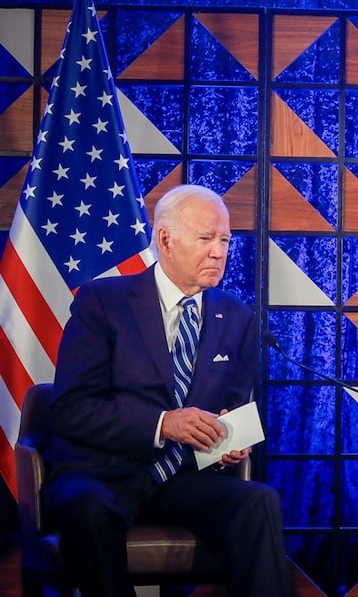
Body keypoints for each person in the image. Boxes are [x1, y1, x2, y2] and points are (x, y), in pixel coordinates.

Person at [41, 185, 294, 597]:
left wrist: (230, 443)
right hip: (101, 472)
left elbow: (235, 406)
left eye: (225, 239)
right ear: (165, 239)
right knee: (88, 509)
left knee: (258, 500)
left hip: (182, 477)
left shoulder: (236, 316)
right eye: (205, 238)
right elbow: (70, 409)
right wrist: (163, 424)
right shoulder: (103, 302)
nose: (219, 251)